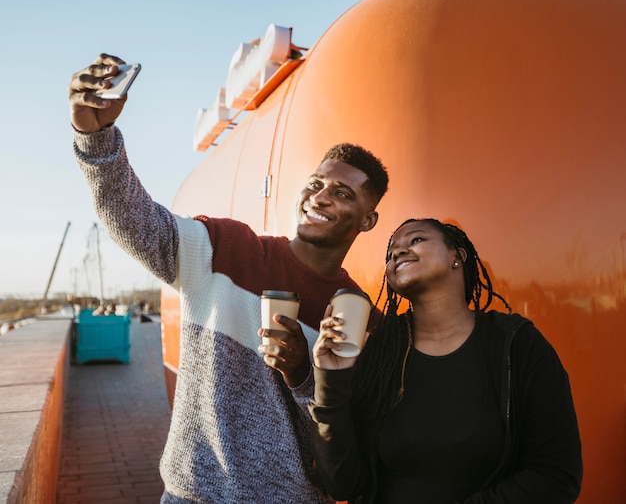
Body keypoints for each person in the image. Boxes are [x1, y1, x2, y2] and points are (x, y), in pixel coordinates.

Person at [68, 53, 389, 503]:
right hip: (190, 495)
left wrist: (301, 376)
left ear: (367, 220)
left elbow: (348, 443)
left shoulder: (361, 317)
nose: (320, 197)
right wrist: (94, 136)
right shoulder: (227, 247)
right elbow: (132, 218)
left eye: (341, 193)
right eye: (316, 183)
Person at [309, 218, 582, 503]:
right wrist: (330, 383)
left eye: (416, 240)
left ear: (457, 256)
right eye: (391, 253)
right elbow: (343, 485)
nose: (398, 253)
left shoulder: (517, 344)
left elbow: (555, 475)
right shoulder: (378, 351)